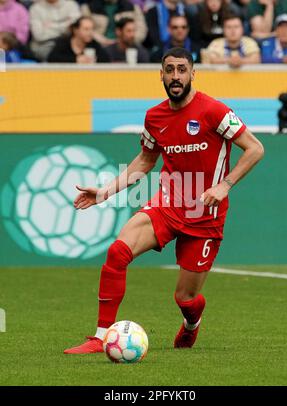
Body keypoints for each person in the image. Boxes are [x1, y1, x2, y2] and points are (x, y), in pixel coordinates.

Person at [64, 47, 264, 354]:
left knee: (185, 299)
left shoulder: (214, 111)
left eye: (181, 69)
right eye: (169, 70)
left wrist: (224, 186)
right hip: (167, 204)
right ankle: (100, 336)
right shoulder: (154, 117)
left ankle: (191, 324)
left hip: (205, 214)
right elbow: (145, 161)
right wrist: (104, 192)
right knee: (117, 252)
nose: (175, 76)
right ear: (161, 74)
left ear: (193, 73)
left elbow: (255, 149)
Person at [81, 0, 147, 47]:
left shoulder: (132, 7)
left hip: (128, 45)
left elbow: (141, 29)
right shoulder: (88, 8)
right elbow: (87, 30)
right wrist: (104, 41)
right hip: (98, 46)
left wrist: (127, 40)